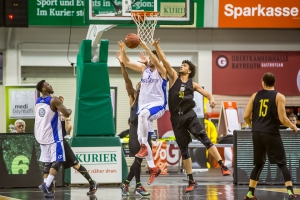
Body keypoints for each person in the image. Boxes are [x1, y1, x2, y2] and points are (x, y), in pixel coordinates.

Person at [152, 39, 231, 193]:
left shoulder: (193, 85)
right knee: (184, 150)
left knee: (205, 140)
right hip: (176, 117)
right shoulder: (173, 77)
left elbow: (207, 93)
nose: (181, 66)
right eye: (182, 64)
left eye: (185, 65)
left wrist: (212, 99)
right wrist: (156, 46)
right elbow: (165, 60)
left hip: (189, 115)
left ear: (189, 71)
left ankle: (222, 165)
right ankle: (191, 180)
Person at [118, 41, 167, 185]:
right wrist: (123, 50)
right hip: (143, 108)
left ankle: (146, 151)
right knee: (142, 140)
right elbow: (126, 62)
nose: (149, 60)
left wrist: (147, 48)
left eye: (152, 58)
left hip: (158, 105)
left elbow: (158, 60)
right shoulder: (144, 69)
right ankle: (153, 168)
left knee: (144, 114)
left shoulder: (162, 70)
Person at [243, 72, 298, 200]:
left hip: (256, 133)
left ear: (263, 82)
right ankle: (290, 193)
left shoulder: (255, 95)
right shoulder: (279, 96)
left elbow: (245, 116)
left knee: (258, 164)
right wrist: (293, 126)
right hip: (271, 133)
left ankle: (250, 194)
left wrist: (253, 126)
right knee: (282, 163)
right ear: (274, 82)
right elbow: (283, 119)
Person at [117, 51, 154, 196]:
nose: (140, 84)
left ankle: (126, 184)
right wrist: (122, 63)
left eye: (142, 84)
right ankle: (137, 185)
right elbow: (127, 80)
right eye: (138, 84)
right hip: (134, 130)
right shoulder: (133, 96)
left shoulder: (149, 99)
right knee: (138, 158)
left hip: (146, 130)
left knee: (139, 159)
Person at [35, 80, 72, 198]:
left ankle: (47, 191)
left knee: (47, 162)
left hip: (40, 136)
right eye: (48, 85)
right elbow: (66, 114)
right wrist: (68, 109)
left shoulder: (38, 101)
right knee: (59, 160)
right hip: (52, 136)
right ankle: (46, 184)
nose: (50, 85)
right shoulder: (53, 100)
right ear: (43, 89)